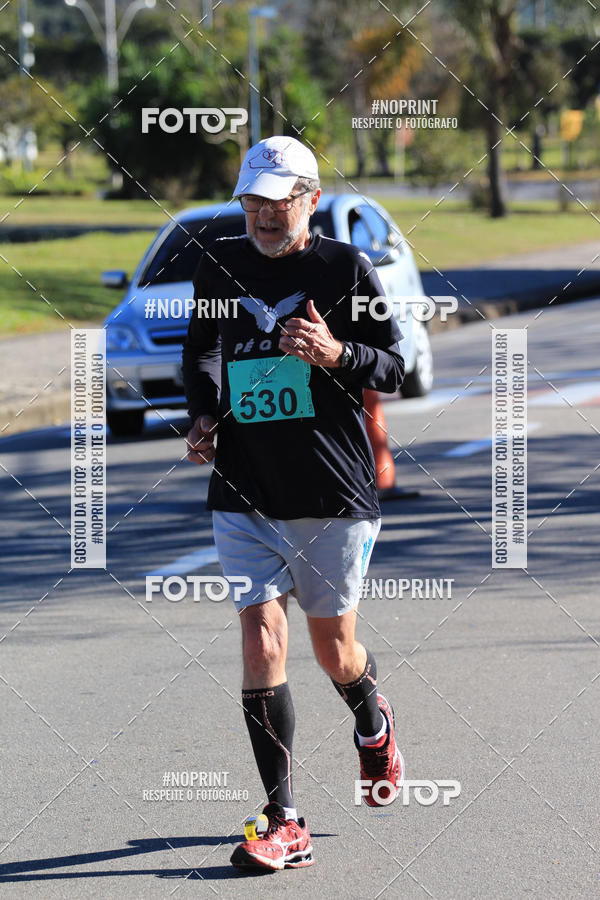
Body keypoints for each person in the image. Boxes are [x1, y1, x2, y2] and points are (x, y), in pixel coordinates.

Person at [183, 135, 405, 873]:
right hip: (244, 487)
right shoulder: (217, 262)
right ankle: (284, 819)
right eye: (254, 201)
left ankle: (372, 722)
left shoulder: (344, 268)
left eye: (280, 202)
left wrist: (337, 353)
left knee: (333, 650)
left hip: (330, 490)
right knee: (259, 640)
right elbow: (204, 352)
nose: (265, 215)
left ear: (310, 199)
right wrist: (206, 412)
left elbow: (394, 365)